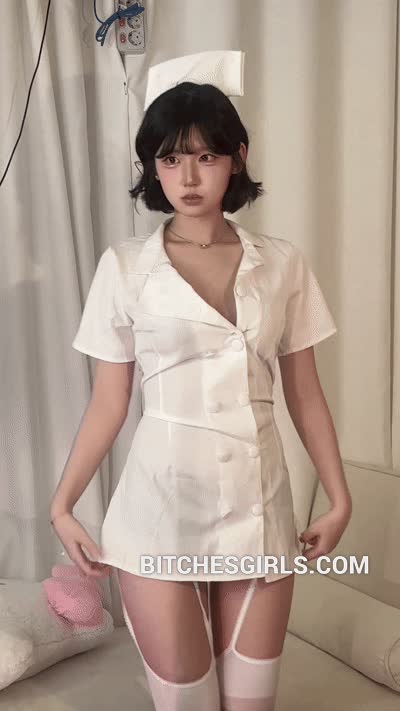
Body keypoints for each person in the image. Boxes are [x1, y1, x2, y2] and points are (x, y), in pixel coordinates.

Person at [50, 51, 352, 711]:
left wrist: (338, 498)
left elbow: (304, 392)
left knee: (252, 703)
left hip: (259, 507)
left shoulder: (282, 264)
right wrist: (62, 502)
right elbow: (109, 400)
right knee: (188, 703)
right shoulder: (124, 268)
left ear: (237, 157)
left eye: (205, 156)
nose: (187, 177)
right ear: (152, 169)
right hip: (160, 510)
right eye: (169, 159)